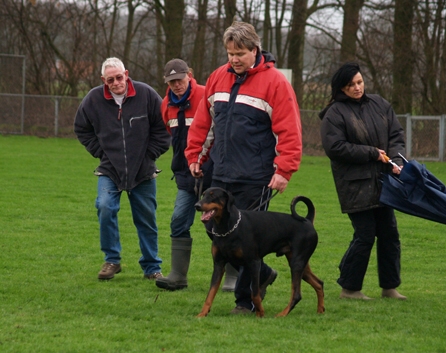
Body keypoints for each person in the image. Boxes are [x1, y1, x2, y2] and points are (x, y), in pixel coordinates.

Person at [185, 21, 303, 314]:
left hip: (256, 177)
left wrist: (283, 170)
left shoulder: (276, 83)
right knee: (219, 235)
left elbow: (288, 130)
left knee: (245, 241)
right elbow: (204, 123)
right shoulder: (216, 79)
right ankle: (263, 274)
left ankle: (244, 301)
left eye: (240, 53)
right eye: (230, 54)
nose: (234, 59)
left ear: (255, 50)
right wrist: (195, 157)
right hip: (221, 174)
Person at [74, 57, 170, 280]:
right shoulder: (93, 99)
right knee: (105, 207)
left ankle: (152, 267)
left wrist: (150, 154)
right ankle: (112, 260)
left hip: (143, 170)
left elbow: (164, 124)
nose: (116, 82)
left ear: (126, 74)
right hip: (110, 169)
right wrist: (100, 151)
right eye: (110, 79)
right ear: (103, 80)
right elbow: (81, 127)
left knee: (146, 218)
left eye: (119, 77)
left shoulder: (146, 95)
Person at [319, 62, 407, 300]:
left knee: (389, 234)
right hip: (355, 185)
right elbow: (335, 147)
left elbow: (396, 135)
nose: (357, 88)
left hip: (384, 181)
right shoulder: (334, 113)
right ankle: (350, 288)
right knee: (365, 235)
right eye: (351, 85)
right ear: (341, 88)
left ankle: (390, 287)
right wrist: (371, 153)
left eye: (359, 82)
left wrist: (397, 160)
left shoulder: (380, 104)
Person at [155, 59, 212, 291]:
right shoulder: (166, 104)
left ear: (189, 74)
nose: (176, 85)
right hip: (185, 175)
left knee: (219, 226)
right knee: (179, 220)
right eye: (171, 82)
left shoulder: (205, 95)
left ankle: (235, 276)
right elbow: (173, 135)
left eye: (179, 79)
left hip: (211, 174)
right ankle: (178, 276)